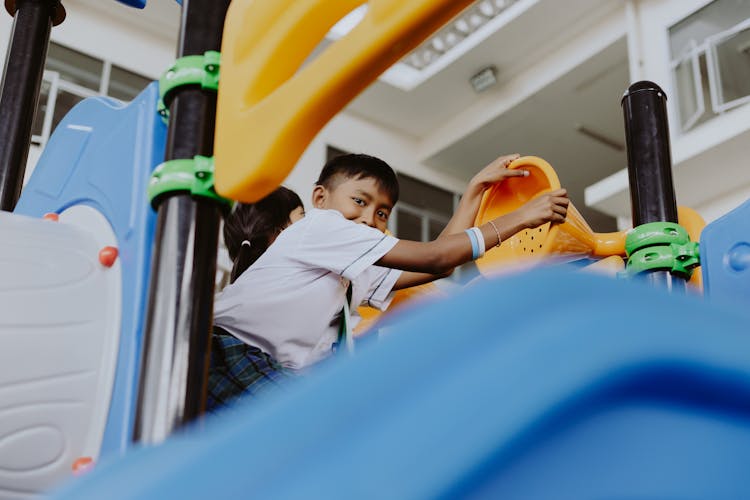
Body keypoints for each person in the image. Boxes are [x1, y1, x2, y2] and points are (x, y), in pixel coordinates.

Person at [208, 153, 568, 410]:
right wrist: (521, 217)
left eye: (382, 213)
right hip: (228, 353)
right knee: (323, 433)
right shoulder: (321, 227)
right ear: (320, 198)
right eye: (359, 201)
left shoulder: (351, 269)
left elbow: (438, 264)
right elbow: (437, 256)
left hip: (268, 369)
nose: (368, 218)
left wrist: (473, 191)